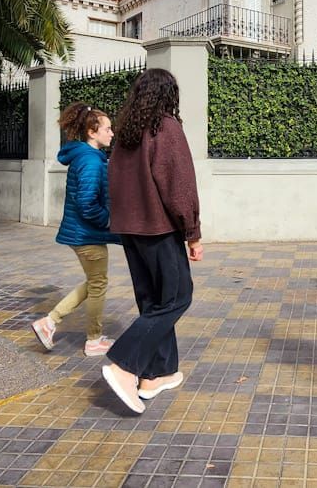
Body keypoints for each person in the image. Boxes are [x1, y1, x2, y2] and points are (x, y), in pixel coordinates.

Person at [100, 69, 202, 415]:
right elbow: (180, 186)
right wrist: (193, 232)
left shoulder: (127, 132)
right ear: (168, 95)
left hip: (130, 229)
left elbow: (112, 181)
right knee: (177, 297)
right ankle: (124, 364)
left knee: (153, 302)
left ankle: (158, 374)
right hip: (158, 229)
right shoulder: (165, 128)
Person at [31, 103, 122, 357]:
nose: (112, 133)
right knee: (98, 285)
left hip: (82, 233)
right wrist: (107, 221)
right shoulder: (91, 160)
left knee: (95, 281)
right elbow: (87, 203)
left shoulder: (85, 156)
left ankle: (49, 322)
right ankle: (92, 339)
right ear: (92, 132)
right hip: (86, 235)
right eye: (107, 128)